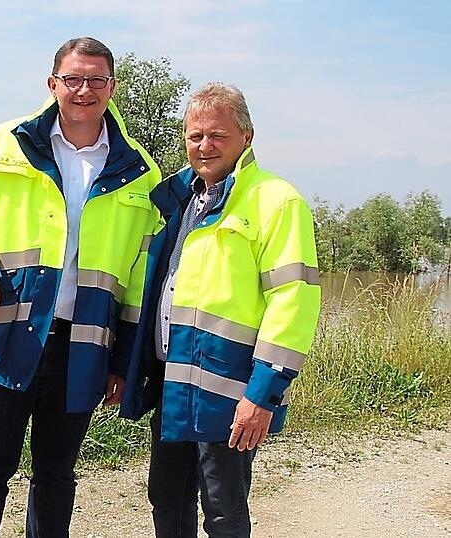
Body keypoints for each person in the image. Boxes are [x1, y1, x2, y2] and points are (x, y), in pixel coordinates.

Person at [0, 37, 163, 537]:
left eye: (96, 80)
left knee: (57, 474)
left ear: (112, 86)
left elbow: (139, 278)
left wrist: (124, 359)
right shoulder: (5, 143)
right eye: (73, 79)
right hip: (8, 332)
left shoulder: (139, 170)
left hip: (83, 344)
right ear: (52, 83)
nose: (84, 90)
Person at [119, 82, 321, 538]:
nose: (204, 145)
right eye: (195, 136)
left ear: (246, 137)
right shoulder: (179, 201)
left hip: (230, 389)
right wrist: (126, 364)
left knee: (223, 510)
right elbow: (153, 289)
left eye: (217, 135)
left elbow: (293, 302)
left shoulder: (276, 201)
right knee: (166, 497)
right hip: (174, 380)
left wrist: (262, 395)